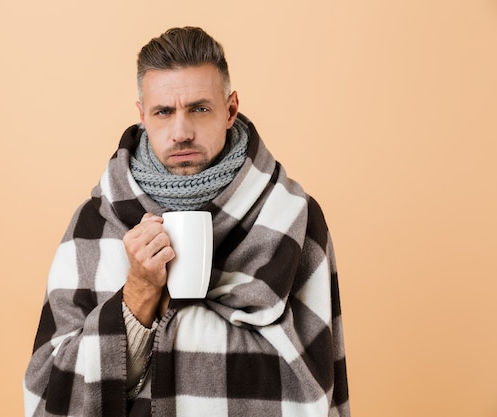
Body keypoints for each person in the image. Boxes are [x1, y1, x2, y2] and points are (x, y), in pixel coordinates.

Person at [23, 26, 350, 417]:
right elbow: (49, 394)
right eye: (163, 112)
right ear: (142, 116)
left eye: (199, 108)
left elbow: (318, 384)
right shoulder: (94, 223)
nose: (181, 132)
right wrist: (139, 294)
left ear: (229, 110)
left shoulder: (291, 215)